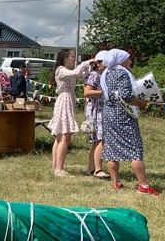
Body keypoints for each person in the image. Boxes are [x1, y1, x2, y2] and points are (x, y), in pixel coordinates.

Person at [99, 49, 157, 194]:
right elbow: (126, 96)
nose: (130, 61)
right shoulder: (122, 73)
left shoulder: (107, 73)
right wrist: (142, 103)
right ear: (121, 60)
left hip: (109, 114)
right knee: (134, 149)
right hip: (123, 115)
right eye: (128, 59)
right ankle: (143, 186)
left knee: (111, 149)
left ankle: (115, 182)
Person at [46, 49, 94, 176]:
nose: (74, 58)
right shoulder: (61, 70)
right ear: (65, 58)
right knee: (64, 137)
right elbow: (76, 72)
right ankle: (59, 169)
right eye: (73, 56)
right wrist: (86, 62)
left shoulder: (67, 71)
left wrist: (90, 66)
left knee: (59, 137)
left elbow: (80, 75)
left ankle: (56, 167)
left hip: (67, 100)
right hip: (64, 101)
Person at [83, 51, 109, 179]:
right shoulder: (94, 75)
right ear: (99, 63)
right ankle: (98, 169)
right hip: (95, 111)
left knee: (96, 141)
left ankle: (91, 168)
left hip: (98, 109)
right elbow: (87, 92)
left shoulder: (101, 74)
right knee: (101, 140)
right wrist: (103, 92)